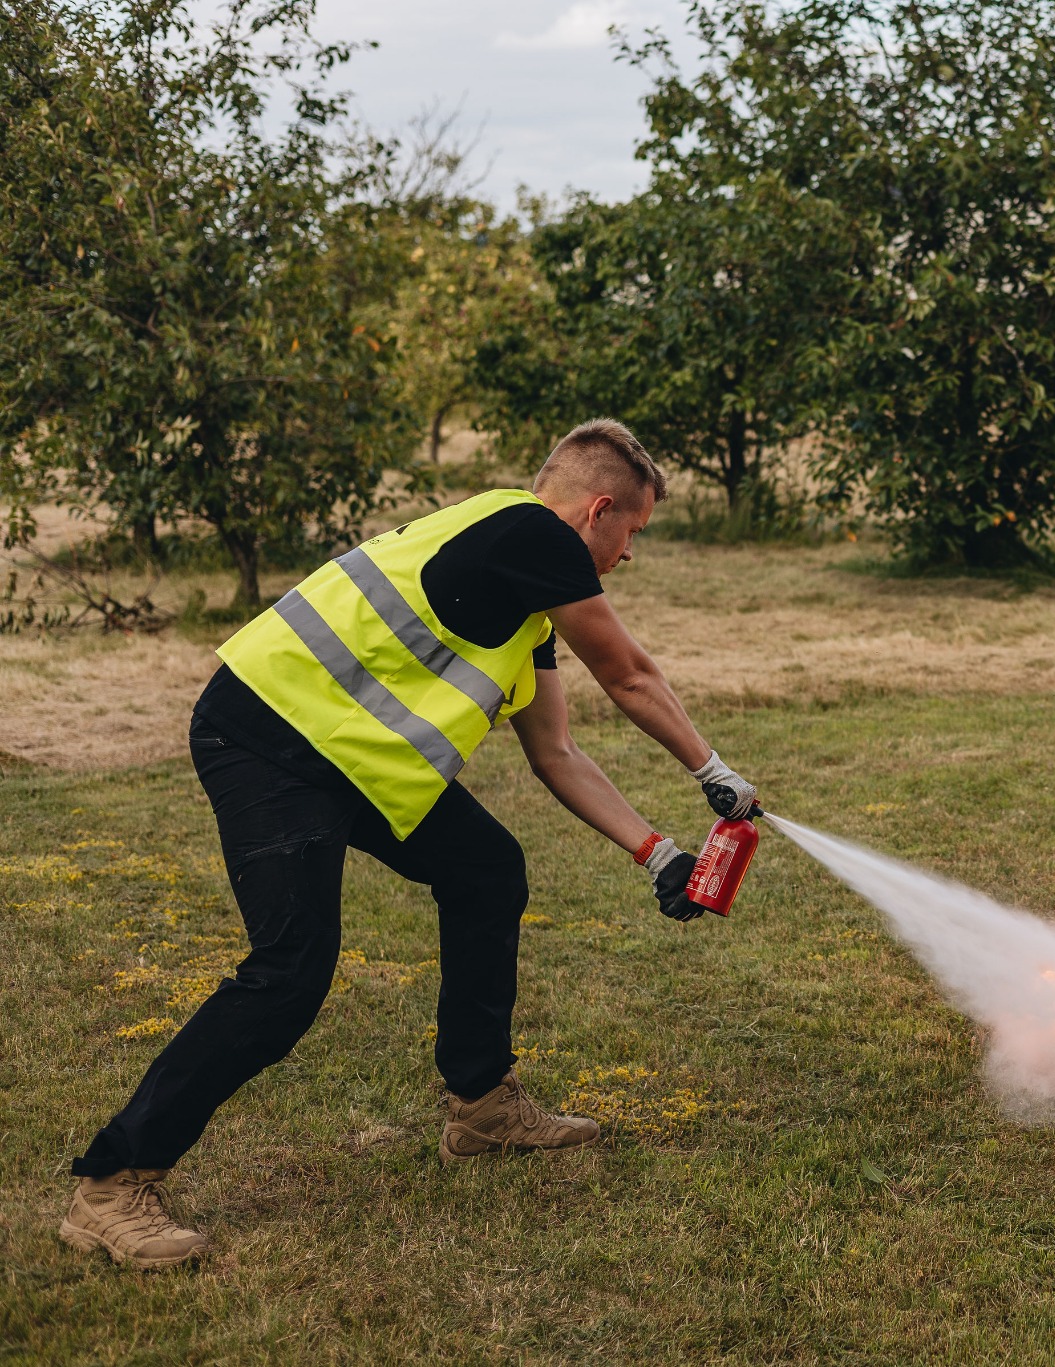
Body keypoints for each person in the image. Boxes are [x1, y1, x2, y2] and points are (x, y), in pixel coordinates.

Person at [59, 420, 757, 1269]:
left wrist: (660, 853)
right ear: (597, 510)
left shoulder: (522, 595)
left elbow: (557, 754)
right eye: (631, 533)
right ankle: (111, 1182)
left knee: (488, 869)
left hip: (350, 761)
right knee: (291, 968)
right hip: (268, 738)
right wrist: (711, 769)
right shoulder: (529, 530)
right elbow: (631, 675)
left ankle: (482, 1107)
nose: (628, 556)